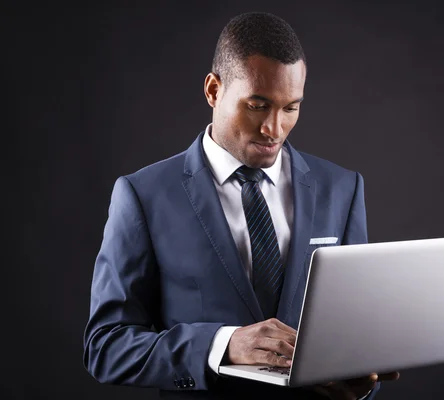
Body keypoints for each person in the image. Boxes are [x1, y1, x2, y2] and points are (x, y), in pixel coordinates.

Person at [83, 11, 399, 400]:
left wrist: (360, 383)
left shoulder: (342, 188)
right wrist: (224, 346)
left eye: (291, 108)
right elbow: (106, 347)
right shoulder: (142, 196)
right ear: (214, 90)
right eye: (257, 105)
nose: (274, 128)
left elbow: (354, 331)